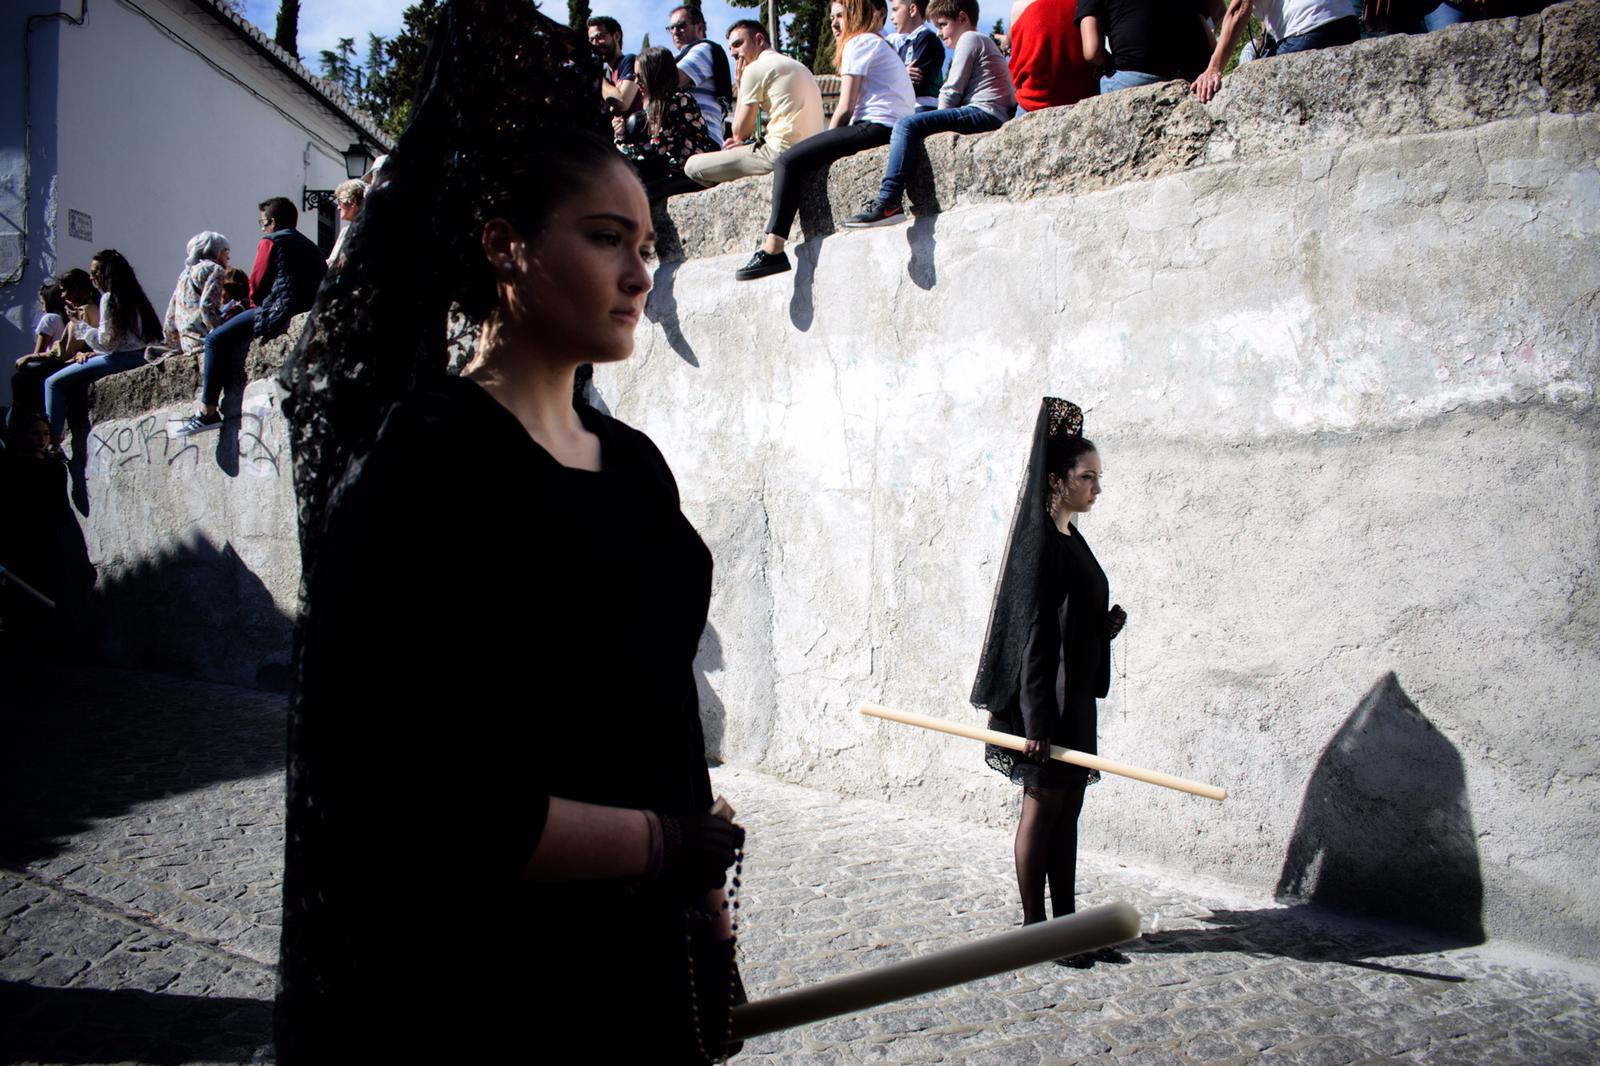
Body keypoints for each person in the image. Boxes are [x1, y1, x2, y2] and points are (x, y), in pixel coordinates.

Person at [273, 11, 747, 1056]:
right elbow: (425, 805)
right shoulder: (421, 472)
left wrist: (704, 913)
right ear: (503, 244)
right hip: (496, 986)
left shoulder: (633, 467)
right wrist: (664, 842)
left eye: (648, 246)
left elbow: (661, 708)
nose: (640, 275)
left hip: (640, 964)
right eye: (605, 238)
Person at [970, 398, 1128, 967]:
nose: (1096, 489)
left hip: (1075, 700)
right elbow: (1034, 640)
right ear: (1057, 481)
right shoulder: (1041, 545)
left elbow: (1068, 628)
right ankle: (1035, 931)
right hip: (1044, 708)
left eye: (1098, 478)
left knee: (1070, 810)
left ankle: (1067, 926)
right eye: (1088, 478)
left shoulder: (1072, 537)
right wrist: (1035, 723)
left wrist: (1102, 629)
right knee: (1043, 807)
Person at [735, 0, 916, 280]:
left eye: (841, 16)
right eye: (832, 17)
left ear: (855, 15)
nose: (834, 23)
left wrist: (824, 144)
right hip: (887, 126)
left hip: (877, 126)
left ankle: (773, 249)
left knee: (788, 160)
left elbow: (845, 107)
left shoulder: (859, 43)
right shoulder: (878, 43)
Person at [847, 0, 1015, 228]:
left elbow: (951, 89)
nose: (939, 33)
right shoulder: (980, 41)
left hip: (983, 111)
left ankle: (889, 200)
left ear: (963, 19)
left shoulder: (970, 38)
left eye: (943, 24)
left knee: (906, 125)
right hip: (990, 112)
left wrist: (935, 125)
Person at [179, 196, 325, 435]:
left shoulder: (271, 241)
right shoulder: (312, 246)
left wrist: (255, 305)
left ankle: (207, 411)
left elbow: (256, 284)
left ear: (273, 222)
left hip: (279, 307)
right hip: (308, 307)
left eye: (263, 223)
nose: (263, 228)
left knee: (215, 339)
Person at [42, 250, 162, 453]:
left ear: (108, 274)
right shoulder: (136, 296)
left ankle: (53, 444)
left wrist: (78, 323)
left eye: (96, 273)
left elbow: (107, 342)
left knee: (53, 383)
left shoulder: (109, 298)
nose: (92, 278)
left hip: (123, 358)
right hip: (142, 355)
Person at [684, 21, 825, 189]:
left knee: (692, 165)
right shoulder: (799, 66)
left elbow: (739, 133)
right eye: (730, 49)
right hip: (813, 152)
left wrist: (741, 83)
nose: (733, 54)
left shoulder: (755, 68)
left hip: (779, 154)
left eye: (738, 44)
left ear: (759, 40)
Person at [1192, 0, 1360, 101]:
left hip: (1307, 32)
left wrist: (1213, 68)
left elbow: (1240, 9)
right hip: (1348, 25)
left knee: (1249, 85)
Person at [619, 47, 720, 199]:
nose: (636, 81)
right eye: (634, 76)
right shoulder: (655, 108)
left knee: (638, 195)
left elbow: (657, 148)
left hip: (690, 176)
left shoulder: (678, 100)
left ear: (654, 75)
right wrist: (621, 136)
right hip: (671, 174)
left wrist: (621, 150)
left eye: (640, 76)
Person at [1077, 0, 1214, 95]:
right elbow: (1210, 40)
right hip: (1196, 75)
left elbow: (1092, 52)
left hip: (1135, 74)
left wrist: (1109, 64)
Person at [1007, 0, 1097, 113]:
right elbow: (1095, 53)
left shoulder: (1020, 6)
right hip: (1081, 100)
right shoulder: (1083, 4)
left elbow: (1013, 53)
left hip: (1031, 102)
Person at [161, 231, 231, 361]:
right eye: (226, 251)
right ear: (215, 250)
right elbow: (207, 307)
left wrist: (174, 344)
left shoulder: (184, 274)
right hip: (204, 341)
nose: (228, 257)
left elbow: (170, 316)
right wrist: (220, 334)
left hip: (186, 343)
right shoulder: (215, 269)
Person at [667, 4, 731, 147]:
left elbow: (672, 81)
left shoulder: (704, 49)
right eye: (671, 28)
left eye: (680, 25)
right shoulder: (677, 58)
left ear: (699, 27)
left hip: (700, 139)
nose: (675, 32)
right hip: (686, 138)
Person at [589, 14, 643, 137]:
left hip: (636, 142)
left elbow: (622, 102)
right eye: (591, 40)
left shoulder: (629, 61)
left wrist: (596, 75)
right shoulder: (605, 74)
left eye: (599, 37)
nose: (595, 43)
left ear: (616, 36)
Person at [888, 0, 946, 110]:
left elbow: (912, 82)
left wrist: (897, 76)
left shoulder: (926, 38)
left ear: (912, 10)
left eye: (895, 10)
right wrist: (902, 74)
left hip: (924, 107)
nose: (891, 17)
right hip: (908, 108)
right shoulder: (904, 44)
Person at [326, 180, 365, 267]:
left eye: (340, 202)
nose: (338, 207)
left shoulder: (351, 230)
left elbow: (333, 263)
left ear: (353, 201)